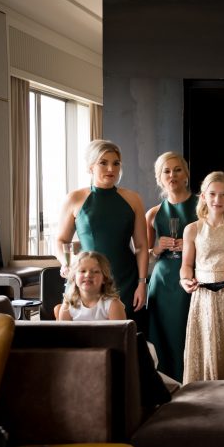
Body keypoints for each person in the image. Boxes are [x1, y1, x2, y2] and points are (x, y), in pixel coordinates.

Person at [56, 140, 150, 333]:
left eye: (116, 163)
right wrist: (66, 263)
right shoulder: (74, 198)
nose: (110, 169)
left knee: (125, 336)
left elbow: (141, 245)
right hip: (86, 279)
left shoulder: (133, 199)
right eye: (103, 163)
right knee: (76, 336)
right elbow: (60, 241)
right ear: (91, 167)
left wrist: (142, 283)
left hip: (125, 278)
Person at [179, 171, 224, 382]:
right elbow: (186, 265)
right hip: (203, 297)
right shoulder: (192, 229)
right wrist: (184, 280)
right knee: (206, 345)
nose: (217, 199)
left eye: (223, 195)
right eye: (212, 194)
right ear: (203, 196)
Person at [145, 152, 199, 382]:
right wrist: (158, 247)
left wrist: (192, 245)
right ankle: (165, 383)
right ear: (159, 178)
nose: (172, 175)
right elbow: (146, 255)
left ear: (186, 174)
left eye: (177, 169)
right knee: (162, 334)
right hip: (163, 281)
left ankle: (192, 380)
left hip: (193, 278)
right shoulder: (153, 214)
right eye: (166, 171)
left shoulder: (203, 205)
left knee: (188, 332)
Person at [57, 251, 126, 321]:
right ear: (74, 277)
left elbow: (120, 328)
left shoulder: (113, 304)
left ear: (104, 278)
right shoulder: (67, 305)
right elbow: (63, 328)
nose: (88, 275)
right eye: (83, 271)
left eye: (95, 271)